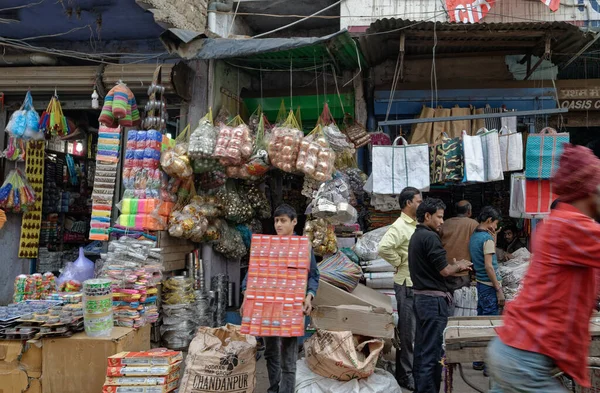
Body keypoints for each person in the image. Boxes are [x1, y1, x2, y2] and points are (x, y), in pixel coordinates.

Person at [487, 144, 600, 392]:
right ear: (590, 190)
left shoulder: (561, 223)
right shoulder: (573, 226)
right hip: (524, 361)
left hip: (512, 351)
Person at [240, 204, 320, 393]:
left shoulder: (303, 247)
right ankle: (274, 388)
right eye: (276, 220)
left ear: (294, 222)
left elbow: (314, 276)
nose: (278, 224)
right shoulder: (264, 247)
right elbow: (252, 275)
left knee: (288, 357)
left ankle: (286, 390)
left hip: (291, 308)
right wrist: (246, 298)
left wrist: (309, 296)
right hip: (266, 307)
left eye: (283, 220)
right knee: (270, 352)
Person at [409, 198, 473, 393]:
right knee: (432, 353)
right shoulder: (430, 237)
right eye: (439, 217)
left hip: (422, 300)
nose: (441, 222)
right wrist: (459, 265)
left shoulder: (417, 236)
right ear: (427, 216)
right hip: (432, 302)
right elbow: (445, 271)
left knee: (422, 351)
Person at [378, 187, 422, 390]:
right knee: (408, 333)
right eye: (418, 201)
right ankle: (405, 375)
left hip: (415, 284)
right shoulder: (400, 226)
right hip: (406, 285)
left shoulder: (415, 224)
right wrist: (401, 261)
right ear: (408, 203)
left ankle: (411, 371)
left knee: (416, 332)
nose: (420, 205)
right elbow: (383, 248)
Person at [469, 206, 503, 373]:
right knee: (491, 326)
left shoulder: (475, 236)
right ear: (489, 221)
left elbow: (486, 258)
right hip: (489, 286)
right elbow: (489, 266)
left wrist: (494, 238)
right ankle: (489, 366)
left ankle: (478, 361)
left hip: (481, 283)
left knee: (481, 323)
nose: (496, 228)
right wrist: (499, 289)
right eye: (495, 224)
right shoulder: (486, 239)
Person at [440, 200, 479, 290]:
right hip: (461, 274)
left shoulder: (445, 223)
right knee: (461, 302)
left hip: (444, 270)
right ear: (469, 212)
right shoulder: (473, 224)